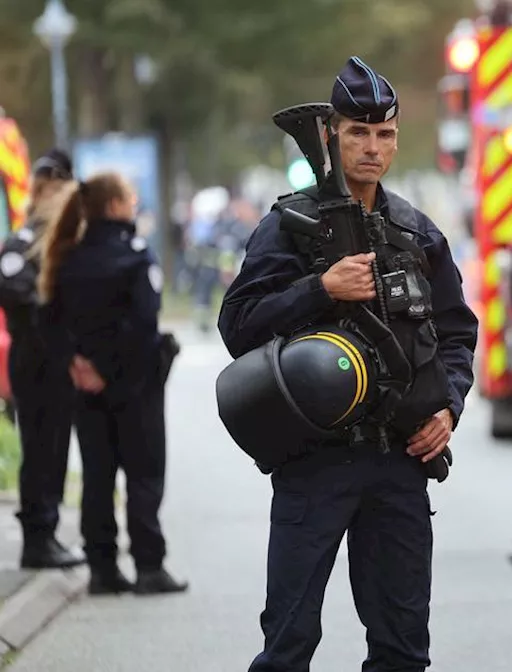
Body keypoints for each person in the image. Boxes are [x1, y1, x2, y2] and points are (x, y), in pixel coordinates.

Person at [218, 56, 478, 672]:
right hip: (317, 459)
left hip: (399, 462)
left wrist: (449, 405)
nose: (372, 147)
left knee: (403, 646)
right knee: (288, 641)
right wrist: (320, 289)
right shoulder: (291, 227)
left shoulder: (418, 232)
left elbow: (457, 333)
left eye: (384, 134)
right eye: (357, 132)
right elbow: (238, 326)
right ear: (331, 135)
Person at [38, 171, 187, 595]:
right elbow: (142, 323)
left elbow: (49, 320)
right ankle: (148, 565)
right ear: (115, 206)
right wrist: (109, 367)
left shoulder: (66, 255)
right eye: (130, 195)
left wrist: (78, 364)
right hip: (136, 384)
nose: (135, 200)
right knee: (144, 475)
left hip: (87, 389)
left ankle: (102, 568)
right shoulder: (137, 255)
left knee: (98, 477)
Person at [0, 149, 84, 569]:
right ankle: (37, 537)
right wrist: (46, 312)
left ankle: (46, 533)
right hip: (35, 356)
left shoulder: (61, 240)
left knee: (54, 448)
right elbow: (11, 283)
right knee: (40, 448)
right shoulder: (27, 238)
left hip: (56, 357)